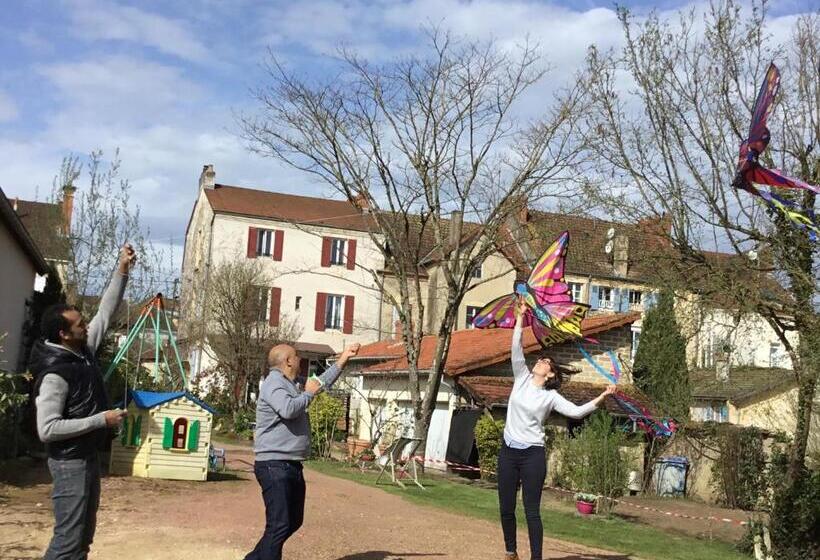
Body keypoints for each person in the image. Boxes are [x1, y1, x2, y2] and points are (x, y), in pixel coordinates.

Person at [30, 244, 136, 560]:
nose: (86, 325)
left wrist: (122, 269)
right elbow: (47, 429)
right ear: (64, 334)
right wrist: (100, 420)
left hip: (86, 457)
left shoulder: (81, 351)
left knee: (81, 542)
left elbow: (106, 311)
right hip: (69, 463)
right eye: (80, 325)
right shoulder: (55, 373)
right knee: (66, 543)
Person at [499, 297, 617, 560]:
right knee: (506, 508)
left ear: (550, 374)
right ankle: (510, 552)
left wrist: (602, 397)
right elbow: (516, 349)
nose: (539, 362)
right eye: (540, 360)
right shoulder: (521, 378)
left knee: (531, 510)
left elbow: (575, 412)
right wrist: (520, 317)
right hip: (508, 451)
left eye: (545, 362)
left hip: (532, 455)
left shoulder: (550, 397)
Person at [245, 341, 361, 560]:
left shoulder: (292, 383)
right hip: (274, 465)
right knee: (279, 524)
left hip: (290, 465)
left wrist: (344, 357)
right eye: (297, 356)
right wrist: (307, 395)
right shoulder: (274, 384)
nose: (300, 359)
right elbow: (288, 409)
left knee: (293, 521)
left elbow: (319, 383)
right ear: (288, 361)